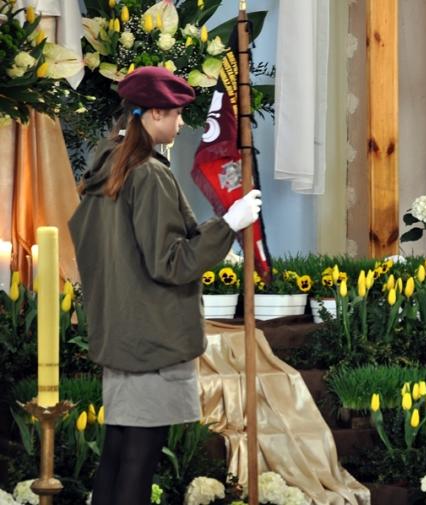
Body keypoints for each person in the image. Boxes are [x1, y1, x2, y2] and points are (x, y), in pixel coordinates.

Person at [68, 66, 262, 505]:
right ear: (154, 113)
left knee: (118, 453)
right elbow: (170, 263)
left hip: (122, 334)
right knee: (138, 460)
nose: (180, 123)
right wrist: (229, 224)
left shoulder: (108, 167)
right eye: (176, 113)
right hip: (151, 338)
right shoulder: (147, 174)